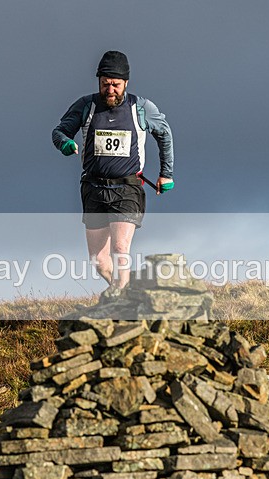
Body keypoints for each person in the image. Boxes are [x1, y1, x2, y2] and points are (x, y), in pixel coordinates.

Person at [52, 50, 174, 297]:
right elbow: (59, 131)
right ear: (98, 81)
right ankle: (122, 294)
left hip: (127, 187)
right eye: (105, 84)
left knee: (120, 248)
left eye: (116, 85)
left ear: (126, 83)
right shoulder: (86, 106)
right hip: (93, 188)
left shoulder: (141, 108)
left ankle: (123, 297)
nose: (110, 90)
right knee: (98, 260)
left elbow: (164, 133)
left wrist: (166, 173)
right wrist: (65, 144)